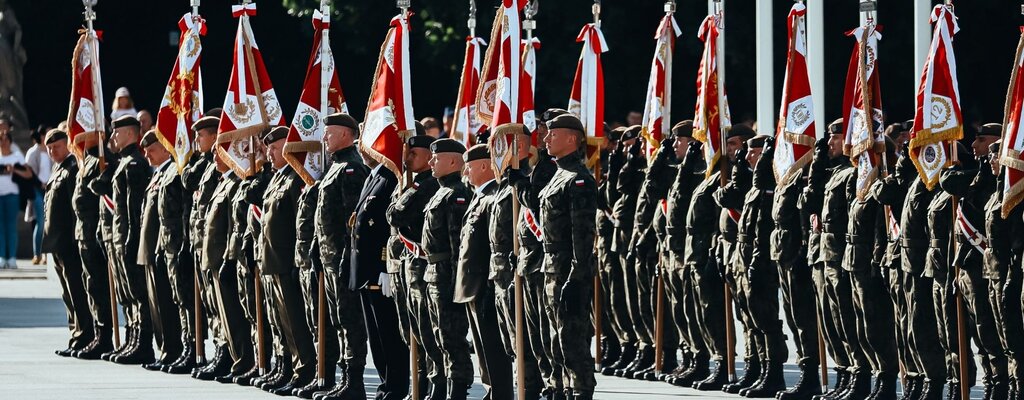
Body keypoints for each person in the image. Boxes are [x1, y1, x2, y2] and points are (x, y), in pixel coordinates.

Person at [536, 113, 598, 400]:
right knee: (554, 338)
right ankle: (560, 388)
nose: (546, 139)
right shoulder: (558, 174)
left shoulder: (579, 179)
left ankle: (581, 390)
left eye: (553, 134)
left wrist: (577, 275)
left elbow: (582, 234)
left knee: (572, 339)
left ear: (572, 139)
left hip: (569, 270)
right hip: (551, 267)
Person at [313, 113, 370, 400]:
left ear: (346, 134)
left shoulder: (351, 169)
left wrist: (349, 257)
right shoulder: (335, 167)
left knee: (350, 320)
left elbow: (352, 220)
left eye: (329, 133)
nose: (324, 138)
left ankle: (354, 382)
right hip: (329, 257)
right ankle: (342, 378)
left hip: (343, 259)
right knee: (337, 319)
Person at [386, 133, 447, 398]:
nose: (407, 158)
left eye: (414, 154)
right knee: (412, 331)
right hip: (408, 267)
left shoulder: (427, 186)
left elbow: (396, 215)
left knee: (428, 333)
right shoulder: (411, 184)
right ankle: (420, 387)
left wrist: (407, 191)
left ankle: (435, 386)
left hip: (424, 268)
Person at [259, 126, 317, 395]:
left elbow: (300, 223)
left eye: (274, 147)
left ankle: (304, 370)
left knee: (295, 321)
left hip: (287, 261)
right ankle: (288, 367)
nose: (268, 152)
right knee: (280, 321)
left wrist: (298, 261)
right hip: (271, 261)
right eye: (268, 147)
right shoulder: (276, 178)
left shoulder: (295, 178)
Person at [350, 134, 408, 400]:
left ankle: (395, 387)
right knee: (376, 335)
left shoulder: (390, 177)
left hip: (380, 268)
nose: (362, 147)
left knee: (388, 334)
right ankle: (385, 384)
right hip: (366, 268)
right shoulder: (373, 176)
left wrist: (386, 265)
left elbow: (388, 227)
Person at [455, 142, 510, 400]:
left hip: (484, 284)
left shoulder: (494, 197)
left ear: (485, 165)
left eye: (469, 167)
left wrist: (490, 285)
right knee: (481, 345)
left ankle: (500, 392)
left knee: (492, 346)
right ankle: (491, 389)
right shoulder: (480, 196)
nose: (465, 173)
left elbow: (494, 244)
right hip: (472, 283)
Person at [422, 138, 473, 400]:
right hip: (433, 273)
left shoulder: (458, 194)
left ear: (453, 161)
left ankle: (458, 388)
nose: (430, 162)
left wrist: (457, 284)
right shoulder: (441, 191)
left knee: (452, 337)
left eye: (436, 158)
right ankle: (441, 385)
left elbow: (457, 244)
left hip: (447, 276)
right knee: (437, 335)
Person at [42, 129, 93, 357]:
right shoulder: (58, 170)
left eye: (58, 147)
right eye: (50, 148)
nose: (54, 151)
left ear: (67, 145)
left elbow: (76, 209)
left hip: (69, 241)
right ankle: (75, 333)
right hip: (57, 242)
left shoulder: (73, 169)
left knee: (77, 291)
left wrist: (76, 239)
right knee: (67, 292)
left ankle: (85, 334)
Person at [109, 115, 155, 366]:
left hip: (129, 235)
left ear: (129, 134)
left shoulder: (135, 164)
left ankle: (143, 342)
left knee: (137, 292)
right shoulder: (123, 161)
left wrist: (130, 237)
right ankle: (132, 337)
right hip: (120, 234)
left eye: (117, 133)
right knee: (127, 293)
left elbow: (134, 207)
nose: (113, 138)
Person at [136, 130, 183, 372]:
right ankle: (163, 348)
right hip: (150, 248)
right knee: (155, 305)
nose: (146, 155)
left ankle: (171, 349)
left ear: (165, 148)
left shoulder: (172, 171)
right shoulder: (157, 175)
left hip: (162, 247)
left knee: (166, 303)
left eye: (151, 150)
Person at [70, 126, 113, 361]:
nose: (76, 136)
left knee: (99, 285)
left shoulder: (101, 160)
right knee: (91, 286)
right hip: (83, 232)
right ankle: (98, 332)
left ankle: (105, 335)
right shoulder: (84, 161)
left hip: (95, 232)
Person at [25, 126, 51, 265]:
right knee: (41, 222)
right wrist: (40, 183)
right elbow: (29, 171)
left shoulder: (51, 150)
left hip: (50, 188)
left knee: (49, 222)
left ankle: (48, 254)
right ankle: (38, 253)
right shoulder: (33, 152)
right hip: (37, 189)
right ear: (41, 136)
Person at [0, 129, 24, 268]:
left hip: (12, 195)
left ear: (10, 141)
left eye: (6, 139)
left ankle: (12, 257)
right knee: (0, 227)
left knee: (11, 226)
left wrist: (13, 170)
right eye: (1, 139)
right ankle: (2, 256)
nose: (3, 142)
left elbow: (28, 173)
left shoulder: (17, 156)